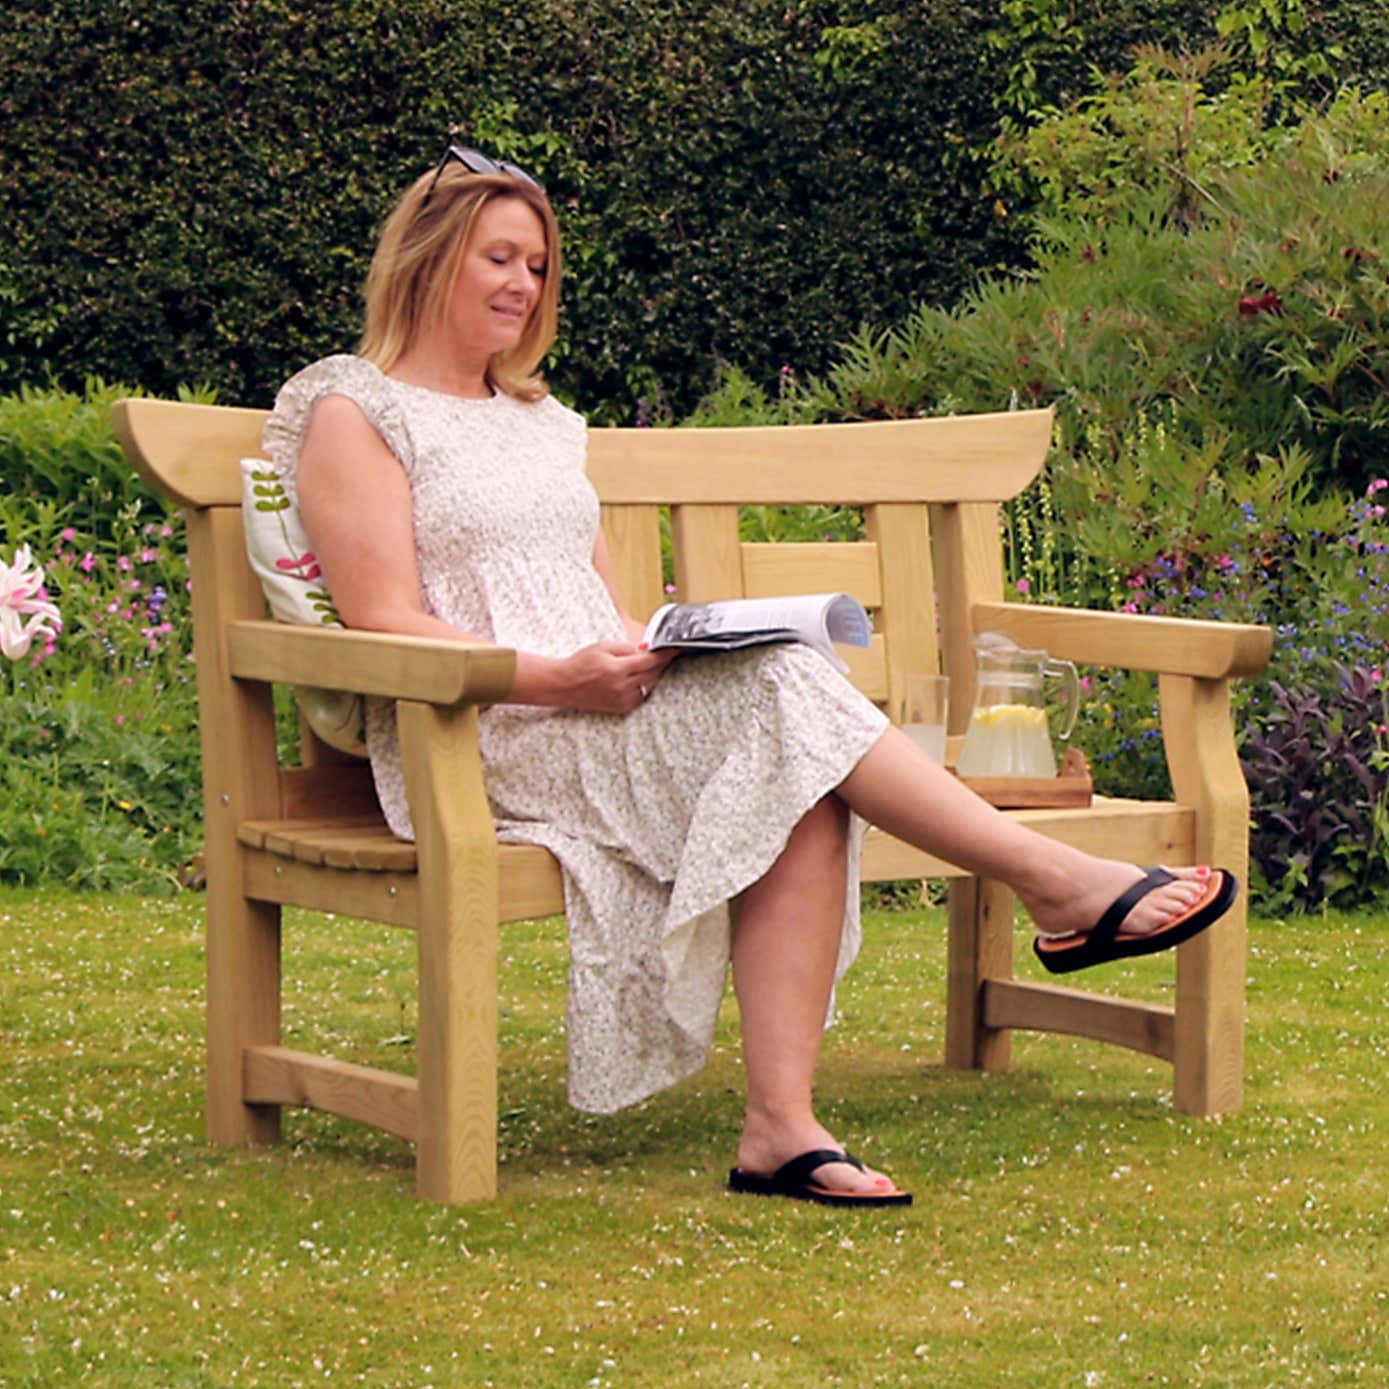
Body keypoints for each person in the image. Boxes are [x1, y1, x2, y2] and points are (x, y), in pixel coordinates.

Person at [263, 145, 1237, 1209]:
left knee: (797, 751)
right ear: (428, 257)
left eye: (538, 267)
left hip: (601, 699)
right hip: (482, 729)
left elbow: (593, 602)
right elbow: (388, 621)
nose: (522, 285)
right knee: (789, 716)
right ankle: (1056, 883)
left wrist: (658, 646)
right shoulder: (355, 410)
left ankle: (783, 1129)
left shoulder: (540, 422)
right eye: (498, 258)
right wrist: (559, 680)